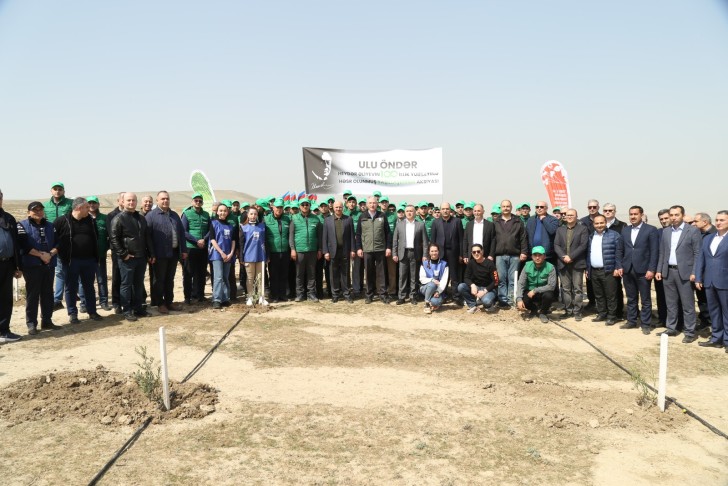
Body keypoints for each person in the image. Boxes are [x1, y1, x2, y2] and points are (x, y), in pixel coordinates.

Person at [656, 205, 702, 343]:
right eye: (671, 215)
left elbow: (697, 253)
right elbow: (662, 252)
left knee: (687, 305)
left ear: (682, 215)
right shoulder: (666, 232)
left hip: (685, 273)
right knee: (671, 303)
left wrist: (695, 272)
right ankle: (671, 328)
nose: (673, 217)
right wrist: (659, 270)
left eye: (676, 215)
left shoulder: (692, 231)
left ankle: (689, 332)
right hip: (668, 272)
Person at [53, 197, 104, 324]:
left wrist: (95, 258)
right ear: (79, 208)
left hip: (89, 261)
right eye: (87, 207)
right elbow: (54, 239)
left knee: (89, 287)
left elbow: (95, 237)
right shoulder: (62, 221)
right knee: (70, 287)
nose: (89, 209)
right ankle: (72, 314)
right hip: (71, 261)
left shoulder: (90, 221)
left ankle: (92, 312)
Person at [18, 202, 62, 334]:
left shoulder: (50, 226)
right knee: (33, 295)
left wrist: (50, 254)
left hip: (49, 264)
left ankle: (47, 321)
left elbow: (59, 243)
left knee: (48, 293)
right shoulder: (21, 225)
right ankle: (31, 324)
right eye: (35, 210)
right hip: (32, 265)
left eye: (40, 209)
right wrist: (41, 255)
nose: (38, 212)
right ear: (28, 212)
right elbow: (23, 245)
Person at [110, 192, 155, 322]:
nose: (131, 203)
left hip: (141, 257)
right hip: (127, 258)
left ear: (136, 202)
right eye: (128, 200)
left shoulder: (141, 218)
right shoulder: (118, 219)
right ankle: (127, 310)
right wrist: (123, 254)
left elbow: (146, 237)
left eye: (133, 200)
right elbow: (114, 238)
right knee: (126, 284)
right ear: (123, 202)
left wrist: (151, 253)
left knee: (138, 284)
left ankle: (138, 308)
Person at [619, 206, 659, 335]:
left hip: (643, 270)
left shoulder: (651, 230)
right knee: (631, 297)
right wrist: (620, 266)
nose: (633, 216)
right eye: (631, 214)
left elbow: (654, 251)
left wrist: (651, 269)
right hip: (628, 269)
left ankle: (645, 324)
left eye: (635, 214)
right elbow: (620, 250)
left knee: (645, 299)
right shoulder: (625, 230)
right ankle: (631, 321)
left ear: (641, 215)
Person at [146, 191, 187, 314]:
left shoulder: (174, 215)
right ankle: (160, 303)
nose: (165, 201)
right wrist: (151, 254)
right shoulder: (151, 216)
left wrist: (184, 250)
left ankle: (169, 302)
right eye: (163, 199)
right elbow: (147, 237)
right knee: (159, 280)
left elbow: (181, 233)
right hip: (159, 254)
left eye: (167, 198)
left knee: (170, 279)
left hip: (173, 253)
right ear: (157, 201)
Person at [695, 210, 728, 351]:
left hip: (725, 281)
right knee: (714, 311)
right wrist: (698, 278)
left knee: (726, 312)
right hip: (709, 281)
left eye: (722, 220)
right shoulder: (708, 238)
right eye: (717, 220)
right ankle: (716, 338)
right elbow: (700, 259)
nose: (718, 222)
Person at [587, 214, 623, 326]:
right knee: (599, 294)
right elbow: (588, 253)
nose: (599, 225)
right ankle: (602, 313)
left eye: (601, 223)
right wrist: (588, 268)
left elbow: (619, 253)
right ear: (593, 224)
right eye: (597, 223)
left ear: (605, 223)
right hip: (594, 270)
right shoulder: (591, 236)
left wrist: (617, 267)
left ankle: (612, 316)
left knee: (611, 295)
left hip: (609, 270)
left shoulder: (614, 235)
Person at [553, 208, 589, 321]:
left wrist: (571, 257)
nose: (569, 217)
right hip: (563, 263)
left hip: (577, 263)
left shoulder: (582, 229)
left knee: (578, 289)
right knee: (566, 289)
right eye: (567, 215)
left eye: (572, 215)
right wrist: (564, 257)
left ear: (576, 216)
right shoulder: (560, 229)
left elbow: (583, 245)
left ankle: (577, 311)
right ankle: (568, 310)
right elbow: (556, 245)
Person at [356, 196, 392, 304]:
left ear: (377, 204)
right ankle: (369, 294)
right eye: (370, 203)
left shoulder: (382, 216)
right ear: (367, 204)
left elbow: (388, 233)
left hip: (380, 248)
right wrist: (359, 248)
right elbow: (358, 234)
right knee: (369, 273)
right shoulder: (362, 216)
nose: (372, 205)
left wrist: (388, 247)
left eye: (374, 203)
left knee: (381, 273)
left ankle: (382, 294)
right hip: (367, 249)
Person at [78, 196, 111, 312]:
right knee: (84, 281)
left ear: (98, 204)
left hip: (100, 255)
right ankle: (84, 303)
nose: (92, 205)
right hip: (86, 256)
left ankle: (104, 301)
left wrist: (106, 248)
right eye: (90, 203)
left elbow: (110, 236)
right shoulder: (82, 218)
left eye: (94, 203)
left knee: (101, 280)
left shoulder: (104, 218)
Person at [44, 182, 73, 311]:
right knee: (59, 271)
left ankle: (77, 296)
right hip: (52, 241)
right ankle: (57, 299)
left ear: (64, 191)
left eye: (60, 189)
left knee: (73, 269)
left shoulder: (70, 204)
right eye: (55, 189)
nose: (57, 191)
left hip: (68, 240)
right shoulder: (45, 206)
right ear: (51, 191)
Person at [494, 199, 528, 307]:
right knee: (501, 279)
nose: (506, 208)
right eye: (503, 206)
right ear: (501, 208)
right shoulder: (496, 222)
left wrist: (524, 252)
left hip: (514, 255)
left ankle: (511, 300)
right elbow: (492, 239)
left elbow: (523, 238)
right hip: (499, 255)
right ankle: (503, 300)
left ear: (511, 208)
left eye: (508, 206)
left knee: (513, 279)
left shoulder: (518, 221)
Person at [392, 204, 428, 305]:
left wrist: (425, 255)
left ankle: (413, 296)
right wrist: (394, 253)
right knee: (402, 276)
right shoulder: (399, 224)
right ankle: (401, 296)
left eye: (411, 211)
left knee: (414, 276)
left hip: (415, 253)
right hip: (403, 253)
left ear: (415, 212)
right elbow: (395, 240)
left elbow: (425, 241)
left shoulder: (420, 225)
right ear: (405, 213)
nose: (409, 213)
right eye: (407, 211)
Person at [0, 188, 23, 342]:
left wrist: (17, 266)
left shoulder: (8, 218)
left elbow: (16, 243)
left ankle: (4, 331)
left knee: (5, 299)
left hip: (7, 264)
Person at [322, 200, 356, 303]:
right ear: (333, 208)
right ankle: (335, 294)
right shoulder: (327, 220)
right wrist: (326, 251)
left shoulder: (348, 219)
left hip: (345, 250)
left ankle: (346, 294)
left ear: (343, 208)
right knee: (334, 274)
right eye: (336, 207)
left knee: (345, 273)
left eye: (340, 207)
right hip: (332, 251)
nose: (338, 209)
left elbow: (352, 236)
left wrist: (352, 249)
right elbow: (324, 237)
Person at [289, 198, 322, 302]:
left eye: (307, 204)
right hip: (299, 251)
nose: (305, 206)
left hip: (312, 250)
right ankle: (300, 294)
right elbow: (291, 235)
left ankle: (311, 294)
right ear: (299, 206)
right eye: (302, 204)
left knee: (311, 273)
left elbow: (319, 236)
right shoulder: (294, 218)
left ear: (309, 206)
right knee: (299, 274)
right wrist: (292, 249)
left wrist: (319, 249)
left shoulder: (316, 219)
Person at [430, 202, 464, 303]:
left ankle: (455, 296)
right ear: (440, 210)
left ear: (450, 210)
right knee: (441, 276)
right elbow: (433, 240)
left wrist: (461, 254)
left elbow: (461, 239)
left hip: (453, 252)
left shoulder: (457, 221)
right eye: (443, 209)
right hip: (440, 253)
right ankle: (442, 295)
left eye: (447, 209)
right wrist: (432, 253)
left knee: (454, 276)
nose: (445, 211)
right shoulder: (436, 222)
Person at [181, 193, 211, 304]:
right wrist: (196, 241)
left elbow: (210, 230)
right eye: (196, 200)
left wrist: (204, 240)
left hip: (203, 248)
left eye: (200, 201)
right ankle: (187, 297)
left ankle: (200, 295)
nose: (198, 202)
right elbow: (183, 231)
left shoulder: (206, 215)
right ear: (192, 202)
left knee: (201, 273)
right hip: (191, 248)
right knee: (188, 273)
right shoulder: (186, 214)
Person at [516, 246, 557, 322]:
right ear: (532, 256)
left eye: (540, 255)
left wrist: (535, 290)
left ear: (544, 256)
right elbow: (521, 283)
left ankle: (543, 312)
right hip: (529, 291)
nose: (537, 258)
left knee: (549, 295)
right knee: (524, 300)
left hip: (543, 292)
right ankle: (534, 309)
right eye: (535, 255)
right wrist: (519, 299)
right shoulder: (527, 266)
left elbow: (551, 286)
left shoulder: (550, 267)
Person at [209, 202, 236, 309]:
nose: (223, 213)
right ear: (217, 212)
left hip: (228, 255)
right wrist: (221, 252)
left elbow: (233, 240)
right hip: (217, 255)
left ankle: (225, 298)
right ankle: (216, 299)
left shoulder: (230, 226)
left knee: (225, 277)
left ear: (227, 212)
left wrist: (231, 253)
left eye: (225, 211)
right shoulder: (213, 223)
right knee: (218, 277)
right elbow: (212, 239)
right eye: (221, 211)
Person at [458, 243, 499, 313]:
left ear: (482, 252)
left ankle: (490, 304)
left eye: (478, 251)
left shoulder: (490, 263)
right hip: (476, 287)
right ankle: (473, 305)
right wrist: (472, 285)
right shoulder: (471, 263)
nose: (476, 253)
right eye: (474, 252)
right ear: (472, 253)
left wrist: (484, 291)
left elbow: (496, 281)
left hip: (489, 289)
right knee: (461, 287)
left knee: (486, 301)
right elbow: (466, 278)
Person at [264, 198, 291, 303]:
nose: (279, 209)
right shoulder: (266, 219)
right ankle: (274, 295)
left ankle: (282, 294)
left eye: (281, 207)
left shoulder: (287, 219)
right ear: (273, 208)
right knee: (273, 274)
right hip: (273, 251)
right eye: (277, 207)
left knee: (284, 274)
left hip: (285, 251)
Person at [693, 212, 717, 328]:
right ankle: (705, 321)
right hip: (700, 273)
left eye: (696, 221)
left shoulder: (716, 234)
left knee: (714, 300)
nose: (694, 223)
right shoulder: (697, 233)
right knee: (702, 299)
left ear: (705, 222)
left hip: (713, 273)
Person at [241, 206, 267, 306]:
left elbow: (266, 241)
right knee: (250, 278)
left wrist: (267, 255)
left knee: (260, 277)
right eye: (251, 214)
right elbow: (241, 243)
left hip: (260, 255)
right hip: (249, 256)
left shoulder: (262, 226)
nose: (253, 216)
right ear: (248, 215)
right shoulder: (243, 227)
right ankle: (250, 297)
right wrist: (241, 257)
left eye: (255, 214)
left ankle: (261, 297)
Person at [107, 192, 126, 314]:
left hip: (131, 252)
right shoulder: (111, 216)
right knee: (117, 277)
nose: (125, 201)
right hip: (117, 252)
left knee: (129, 279)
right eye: (122, 199)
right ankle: (116, 303)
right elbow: (112, 235)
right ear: (118, 201)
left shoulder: (133, 214)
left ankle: (129, 302)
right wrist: (121, 251)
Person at [526, 201, 560, 266]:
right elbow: (527, 235)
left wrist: (544, 219)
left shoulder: (553, 219)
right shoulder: (531, 220)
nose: (539, 208)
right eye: (537, 207)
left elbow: (552, 231)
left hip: (547, 255)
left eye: (541, 207)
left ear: (546, 208)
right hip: (533, 254)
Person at [654, 209, 672, 327]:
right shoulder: (658, 232)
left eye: (666, 218)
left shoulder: (677, 232)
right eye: (661, 219)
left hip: (673, 270)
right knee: (661, 296)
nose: (664, 221)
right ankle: (662, 319)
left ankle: (675, 321)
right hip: (659, 270)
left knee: (674, 298)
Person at [419, 243, 448, 314]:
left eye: (435, 251)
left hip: (438, 290)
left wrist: (438, 291)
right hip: (425, 288)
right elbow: (422, 279)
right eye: (432, 251)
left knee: (436, 302)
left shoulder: (444, 264)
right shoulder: (424, 263)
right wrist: (432, 280)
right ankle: (427, 304)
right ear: (429, 252)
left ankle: (432, 302)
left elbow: (444, 281)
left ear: (438, 251)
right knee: (432, 284)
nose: (434, 253)